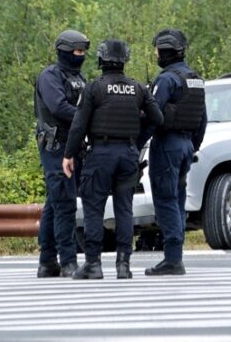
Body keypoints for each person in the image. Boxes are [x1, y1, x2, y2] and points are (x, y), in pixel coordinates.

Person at [62, 39, 163, 280]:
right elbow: (157, 118)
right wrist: (135, 141)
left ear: (101, 60)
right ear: (124, 61)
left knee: (94, 207)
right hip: (128, 155)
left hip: (100, 154)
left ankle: (94, 265)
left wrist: (68, 154)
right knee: (124, 209)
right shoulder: (138, 88)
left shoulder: (94, 88)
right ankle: (123, 265)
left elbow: (78, 125)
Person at [140, 28, 206, 276]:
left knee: (166, 199)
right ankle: (175, 255)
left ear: (165, 52)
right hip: (187, 145)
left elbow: (153, 116)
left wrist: (135, 146)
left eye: (157, 50)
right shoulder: (195, 78)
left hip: (168, 144)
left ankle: (172, 258)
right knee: (177, 197)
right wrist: (193, 146)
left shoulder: (167, 79)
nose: (156, 54)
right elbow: (202, 118)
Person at [34, 29, 89, 278]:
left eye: (84, 52)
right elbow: (58, 107)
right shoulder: (50, 76)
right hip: (55, 146)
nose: (81, 56)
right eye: (78, 52)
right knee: (64, 203)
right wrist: (88, 117)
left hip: (74, 146)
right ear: (65, 51)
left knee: (55, 203)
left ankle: (47, 261)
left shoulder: (80, 78)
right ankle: (68, 261)